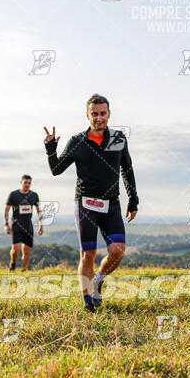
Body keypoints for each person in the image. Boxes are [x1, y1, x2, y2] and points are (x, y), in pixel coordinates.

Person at [43, 93, 139, 313]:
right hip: (86, 204)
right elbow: (56, 170)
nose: (98, 118)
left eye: (102, 113)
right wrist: (51, 151)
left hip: (111, 204)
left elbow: (127, 169)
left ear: (109, 114)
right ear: (87, 115)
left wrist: (133, 199)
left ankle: (97, 280)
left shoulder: (118, 139)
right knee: (88, 254)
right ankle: (88, 304)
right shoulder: (78, 141)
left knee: (118, 251)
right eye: (94, 114)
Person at [4, 175, 43, 272]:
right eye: (25, 182)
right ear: (21, 182)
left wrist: (41, 225)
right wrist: (6, 224)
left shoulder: (34, 195)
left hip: (28, 226)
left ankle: (24, 271)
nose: (27, 185)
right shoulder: (13, 195)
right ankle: (12, 263)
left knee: (26, 250)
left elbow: (39, 211)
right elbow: (6, 210)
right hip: (16, 225)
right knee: (15, 249)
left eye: (29, 183)